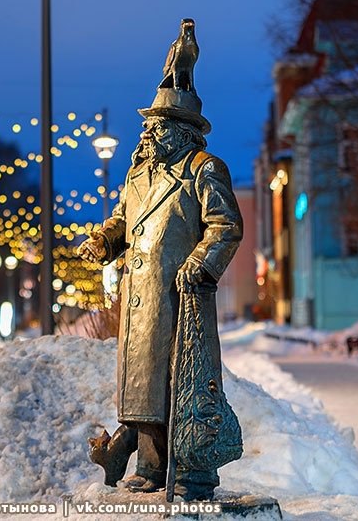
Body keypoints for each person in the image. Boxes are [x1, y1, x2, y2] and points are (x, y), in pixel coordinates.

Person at [78, 83, 242, 501]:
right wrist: (104, 241)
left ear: (183, 130)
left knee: (181, 381)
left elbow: (225, 225)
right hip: (140, 296)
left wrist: (200, 263)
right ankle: (150, 466)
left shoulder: (204, 168)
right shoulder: (137, 174)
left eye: (158, 125)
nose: (148, 132)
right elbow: (122, 221)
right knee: (144, 384)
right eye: (148, 125)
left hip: (179, 293)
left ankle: (193, 472)